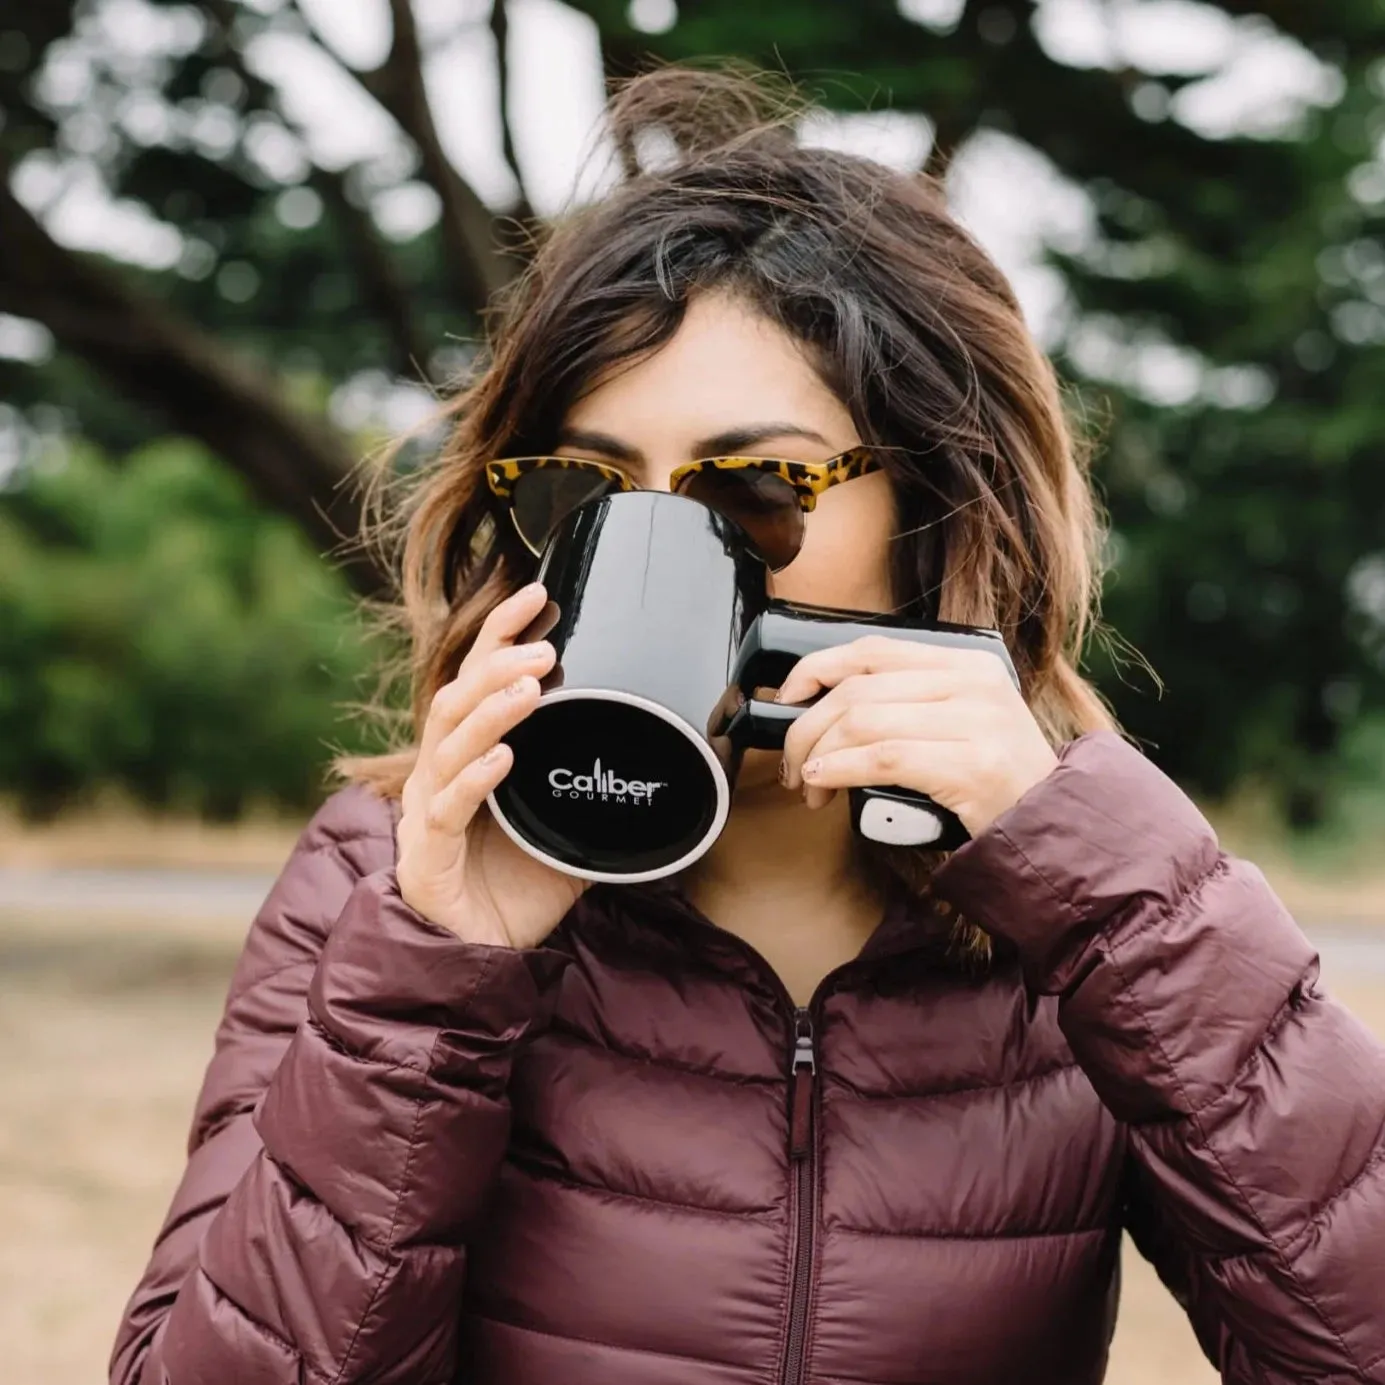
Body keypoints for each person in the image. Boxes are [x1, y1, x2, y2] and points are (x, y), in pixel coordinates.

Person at [111, 67, 1385, 1385]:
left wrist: (1105, 890)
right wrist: (439, 981)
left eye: (756, 489)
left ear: (939, 507)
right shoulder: (384, 884)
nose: (659, 545)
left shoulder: (1090, 913)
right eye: (588, 491)